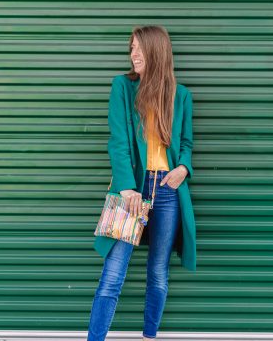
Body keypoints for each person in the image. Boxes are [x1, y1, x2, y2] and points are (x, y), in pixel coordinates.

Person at [87, 25, 196, 340]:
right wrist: (126, 186)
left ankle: (150, 337)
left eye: (139, 48)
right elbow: (118, 140)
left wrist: (183, 169)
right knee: (113, 274)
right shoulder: (122, 87)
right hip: (131, 189)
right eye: (131, 48)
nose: (133, 54)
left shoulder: (182, 95)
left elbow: (186, 143)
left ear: (156, 51)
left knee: (158, 274)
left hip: (168, 189)